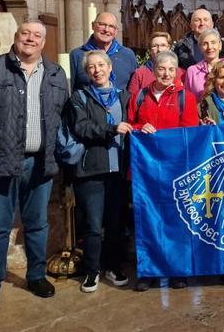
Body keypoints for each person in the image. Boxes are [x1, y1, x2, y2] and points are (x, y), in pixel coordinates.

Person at [0, 20, 69, 312]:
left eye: (37, 36)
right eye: (25, 34)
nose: (30, 39)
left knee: (37, 224)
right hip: (0, 158)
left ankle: (36, 276)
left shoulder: (56, 73)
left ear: (44, 42)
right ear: (16, 38)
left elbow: (64, 117)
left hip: (40, 162)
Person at [128, 50, 200, 291]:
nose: (166, 74)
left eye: (171, 69)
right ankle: (149, 270)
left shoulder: (185, 97)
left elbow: (188, 132)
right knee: (147, 219)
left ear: (177, 71)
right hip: (146, 171)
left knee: (175, 218)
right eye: (161, 69)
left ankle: (177, 270)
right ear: (153, 71)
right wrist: (140, 126)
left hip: (175, 169)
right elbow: (130, 125)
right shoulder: (139, 96)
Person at [62, 51, 133, 293]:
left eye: (101, 65)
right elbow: (82, 127)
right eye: (91, 67)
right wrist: (112, 129)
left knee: (115, 223)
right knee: (92, 225)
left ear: (110, 67)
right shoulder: (79, 98)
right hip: (91, 170)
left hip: (118, 170)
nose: (97, 70)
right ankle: (92, 271)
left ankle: (113, 267)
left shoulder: (125, 96)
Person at [69, 12, 138, 91]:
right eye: (102, 24)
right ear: (93, 26)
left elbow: (134, 89)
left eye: (111, 26)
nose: (106, 30)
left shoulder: (127, 55)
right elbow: (71, 89)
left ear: (116, 31)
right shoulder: (77, 55)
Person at [184, 28, 224, 99]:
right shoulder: (192, 71)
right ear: (200, 47)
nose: (209, 47)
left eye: (213, 42)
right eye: (205, 44)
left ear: (220, 45)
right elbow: (187, 99)